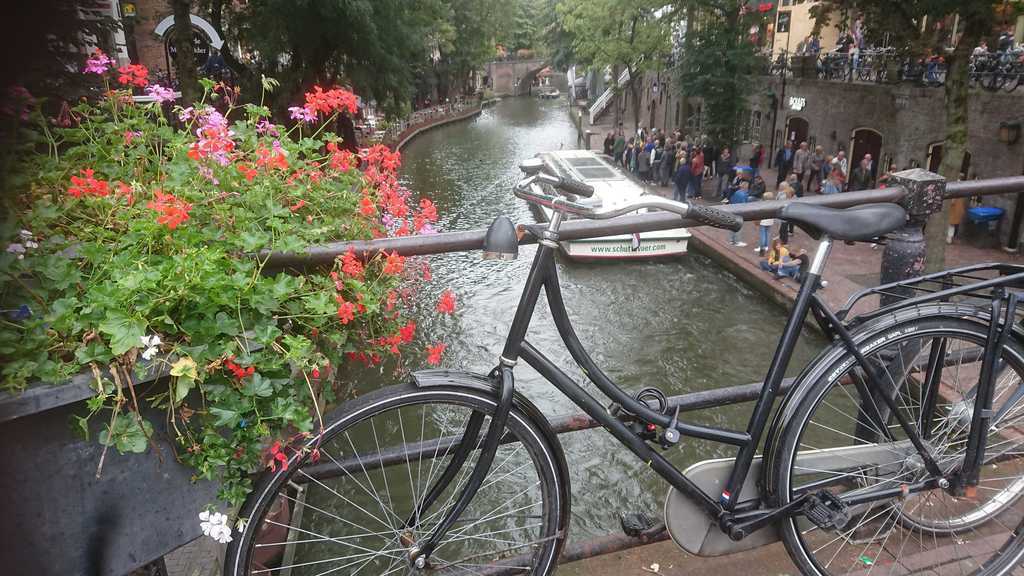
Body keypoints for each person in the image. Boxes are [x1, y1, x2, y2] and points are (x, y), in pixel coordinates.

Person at [727, 181, 751, 246]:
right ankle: (737, 241)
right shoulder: (744, 195)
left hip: (733, 211)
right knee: (738, 227)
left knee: (732, 226)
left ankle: (731, 240)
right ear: (746, 187)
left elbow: (731, 200)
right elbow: (744, 205)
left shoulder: (737, 192)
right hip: (740, 213)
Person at [756, 191, 775, 256]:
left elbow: (760, 213)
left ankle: (762, 247)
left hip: (763, 221)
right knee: (768, 233)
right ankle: (766, 246)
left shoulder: (763, 204)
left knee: (762, 234)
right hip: (770, 221)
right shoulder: (774, 204)